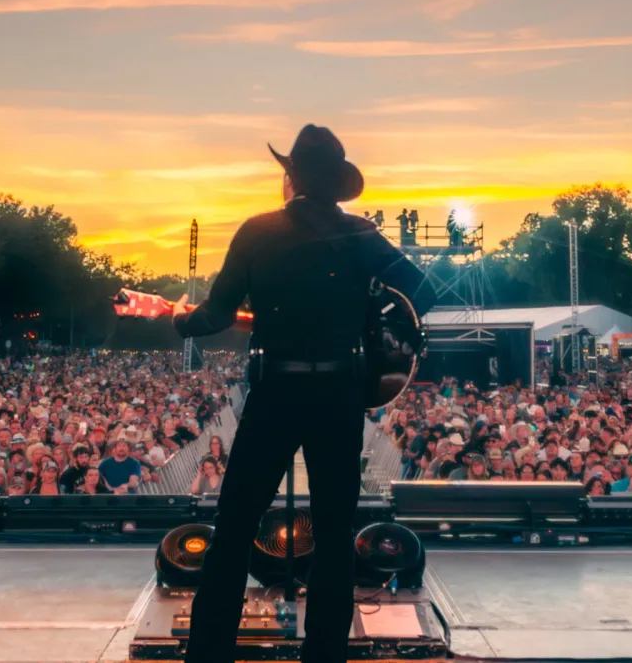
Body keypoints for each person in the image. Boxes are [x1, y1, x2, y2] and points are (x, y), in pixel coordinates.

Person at [170, 124, 436, 663]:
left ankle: (208, 655)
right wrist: (369, 321)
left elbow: (217, 315)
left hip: (275, 393)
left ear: (290, 178)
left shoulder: (257, 231)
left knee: (236, 525)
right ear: (337, 184)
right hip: (339, 393)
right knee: (336, 535)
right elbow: (423, 293)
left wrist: (179, 320)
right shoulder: (363, 235)